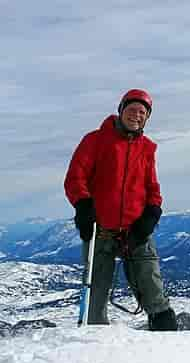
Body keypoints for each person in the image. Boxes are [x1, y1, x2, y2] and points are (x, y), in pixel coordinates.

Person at [64, 89, 177, 330]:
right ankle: (96, 351)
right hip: (100, 231)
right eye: (132, 109)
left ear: (147, 118)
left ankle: (168, 347)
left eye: (142, 112)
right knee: (95, 301)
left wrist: (152, 213)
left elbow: (152, 188)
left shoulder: (147, 149)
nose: (136, 115)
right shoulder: (94, 141)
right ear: (121, 110)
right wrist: (83, 205)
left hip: (136, 231)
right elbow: (75, 178)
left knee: (154, 294)